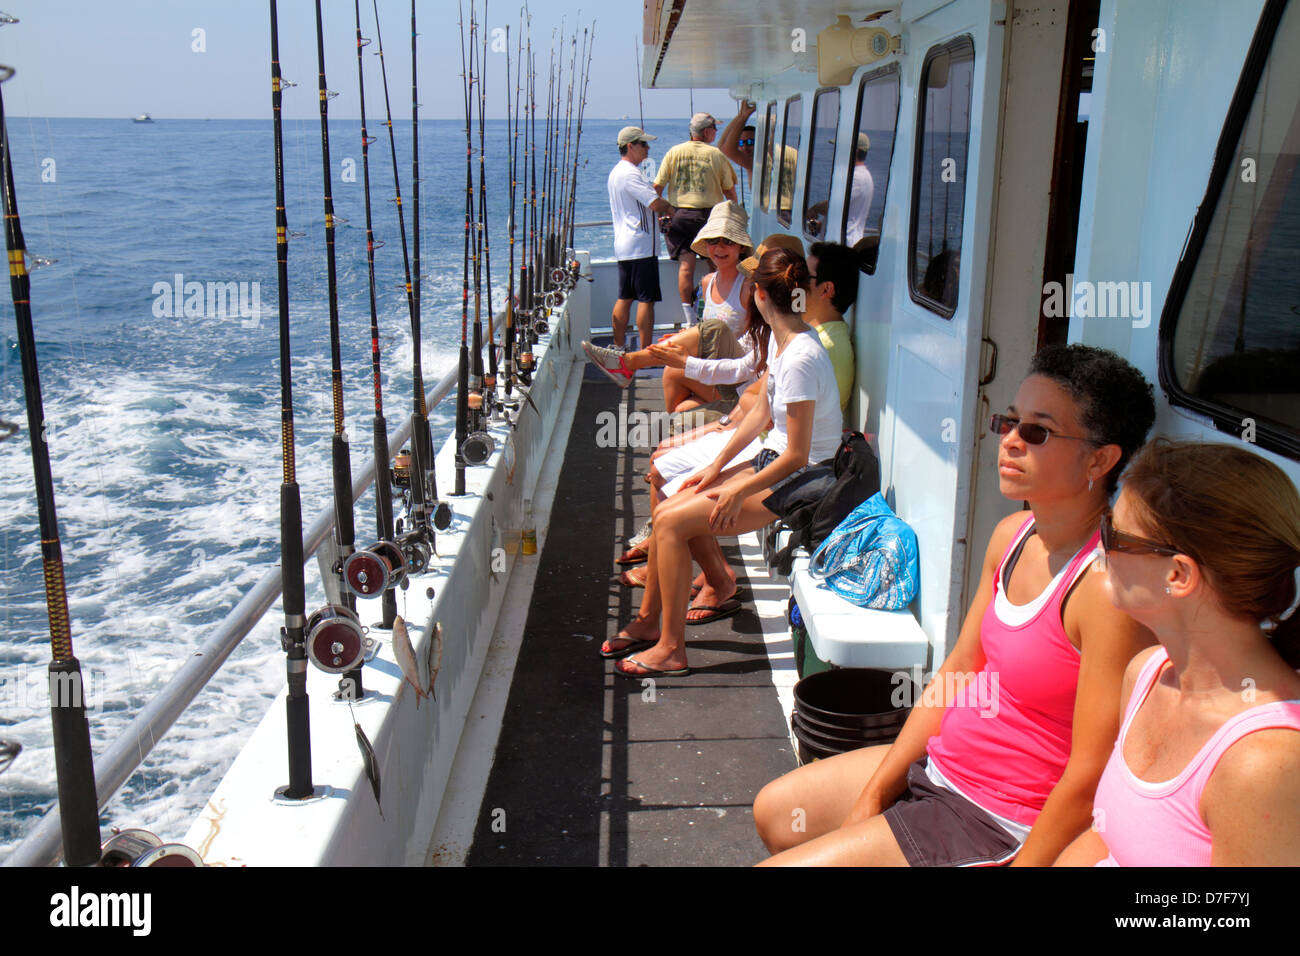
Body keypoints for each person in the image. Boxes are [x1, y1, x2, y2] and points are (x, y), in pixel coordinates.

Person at [753, 343, 1158, 866]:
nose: (1010, 441)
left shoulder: (1104, 589)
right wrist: (880, 789)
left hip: (997, 819)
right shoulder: (1012, 535)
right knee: (775, 814)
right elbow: (960, 670)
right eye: (1009, 422)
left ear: (1101, 459)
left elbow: (1091, 769)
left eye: (1037, 431)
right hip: (943, 770)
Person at [1054, 441, 1300, 866]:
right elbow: (1108, 837)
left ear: (1178, 574)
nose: (1100, 542)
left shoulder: (1264, 762)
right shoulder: (1146, 673)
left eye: (1114, 532)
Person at [605, 248, 842, 674]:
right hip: (781, 468)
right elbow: (759, 417)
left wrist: (738, 488)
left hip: (805, 482)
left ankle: (671, 648)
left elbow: (798, 454)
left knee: (674, 522)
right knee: (675, 500)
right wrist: (715, 469)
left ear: (760, 298)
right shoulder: (787, 346)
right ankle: (648, 624)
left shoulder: (800, 358)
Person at [580, 201, 753, 419]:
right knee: (678, 398)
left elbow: (752, 346)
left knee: (706, 336)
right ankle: (675, 430)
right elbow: (707, 332)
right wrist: (688, 338)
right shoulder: (708, 282)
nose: (719, 248)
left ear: (741, 246)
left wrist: (701, 337)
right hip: (712, 374)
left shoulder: (748, 288)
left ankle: (628, 362)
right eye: (713, 241)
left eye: (728, 242)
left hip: (737, 381)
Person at [654, 113, 738, 327]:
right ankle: (716, 313)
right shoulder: (716, 154)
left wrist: (661, 213)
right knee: (718, 265)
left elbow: (657, 188)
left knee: (686, 267)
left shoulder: (674, 152)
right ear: (707, 131)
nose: (716, 133)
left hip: (679, 216)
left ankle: (691, 321)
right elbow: (730, 191)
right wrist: (736, 217)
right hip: (709, 218)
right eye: (715, 129)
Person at [606, 126, 675, 350]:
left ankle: (618, 348)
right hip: (641, 246)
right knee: (646, 300)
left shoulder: (616, 172)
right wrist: (673, 209)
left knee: (625, 296)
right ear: (630, 146)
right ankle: (646, 352)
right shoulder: (630, 174)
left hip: (625, 246)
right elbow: (655, 203)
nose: (648, 148)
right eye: (643, 144)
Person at [844, 132, 875, 249]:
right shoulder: (864, 175)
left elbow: (832, 206)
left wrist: (815, 209)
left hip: (845, 245)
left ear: (855, 151)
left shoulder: (856, 177)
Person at [717, 101, 757, 173]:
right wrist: (740, 116)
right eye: (741, 143)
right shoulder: (751, 162)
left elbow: (727, 150)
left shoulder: (757, 163)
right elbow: (721, 147)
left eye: (750, 142)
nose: (745, 147)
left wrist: (744, 116)